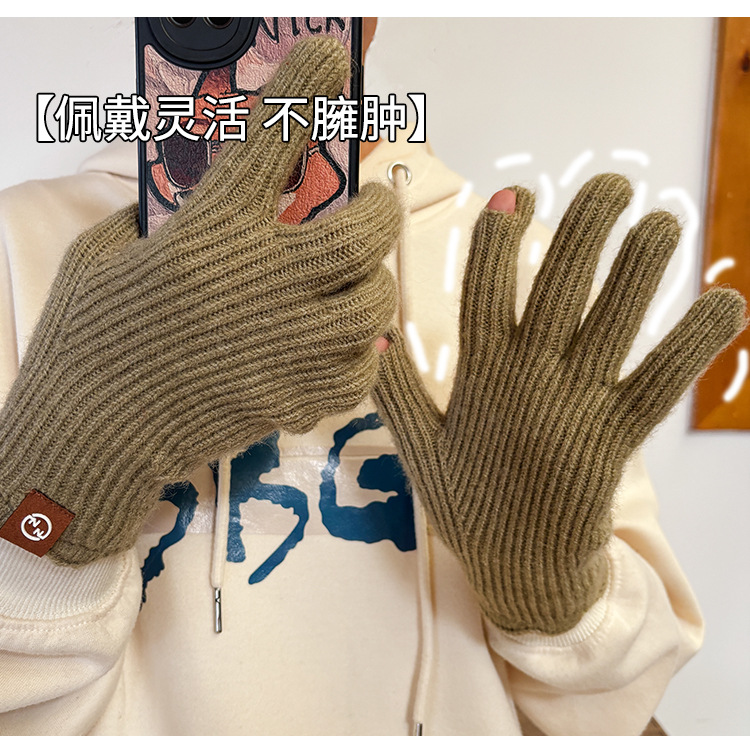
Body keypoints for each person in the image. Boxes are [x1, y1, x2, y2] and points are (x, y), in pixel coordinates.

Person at [0, 26, 743, 736]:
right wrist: (53, 495)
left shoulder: (514, 268)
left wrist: (546, 591)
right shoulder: (21, 242)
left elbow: (612, 711)